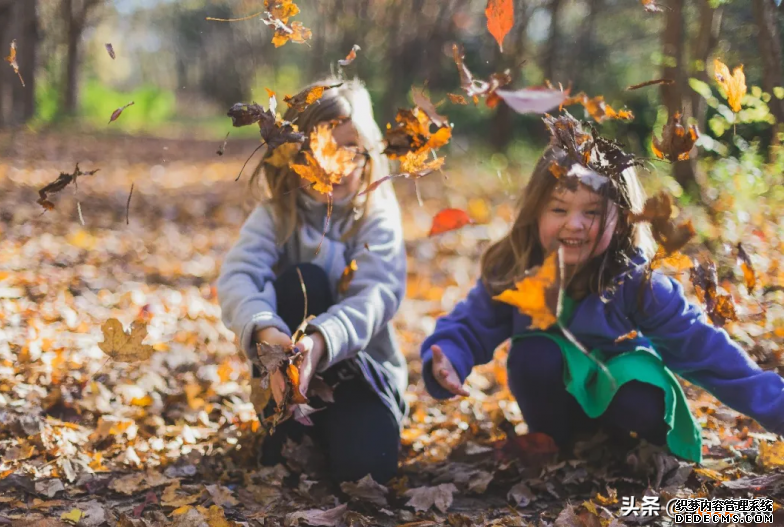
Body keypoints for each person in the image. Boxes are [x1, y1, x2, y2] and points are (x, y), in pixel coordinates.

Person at [421, 114, 784, 463]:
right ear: (536, 212)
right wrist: (450, 357)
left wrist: (777, 408)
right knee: (534, 355)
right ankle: (560, 444)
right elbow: (471, 324)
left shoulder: (638, 283)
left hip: (625, 402)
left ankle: (625, 450)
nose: (574, 224)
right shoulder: (517, 269)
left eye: (592, 212)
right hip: (556, 407)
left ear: (623, 220)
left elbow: (706, 351)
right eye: (559, 209)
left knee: (638, 390)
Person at [218, 77, 407, 483]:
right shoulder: (276, 216)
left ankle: (348, 432)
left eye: (348, 149)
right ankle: (286, 426)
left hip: (360, 377)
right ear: (292, 155)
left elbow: (377, 294)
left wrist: (320, 343)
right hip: (285, 379)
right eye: (318, 149)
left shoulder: (376, 215)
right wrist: (266, 330)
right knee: (303, 279)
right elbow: (238, 276)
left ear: (367, 153)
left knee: (367, 472)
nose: (333, 165)